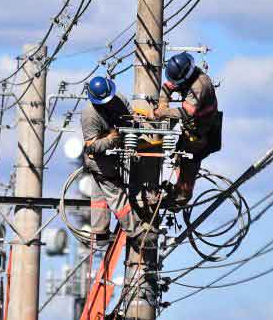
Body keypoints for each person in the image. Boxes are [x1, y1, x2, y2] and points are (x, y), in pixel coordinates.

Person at [80, 75, 142, 244]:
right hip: (100, 161)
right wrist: (111, 138)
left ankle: (100, 232)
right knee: (116, 195)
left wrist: (137, 122)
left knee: (100, 195)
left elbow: (131, 117)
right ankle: (136, 232)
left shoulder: (118, 99)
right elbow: (90, 146)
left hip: (115, 155)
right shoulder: (89, 114)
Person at [153, 52, 220, 205]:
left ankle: (181, 199)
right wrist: (163, 103)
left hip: (202, 132)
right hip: (190, 129)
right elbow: (167, 87)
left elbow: (186, 113)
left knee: (189, 165)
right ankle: (176, 190)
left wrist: (161, 113)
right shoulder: (184, 74)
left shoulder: (199, 85)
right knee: (179, 159)